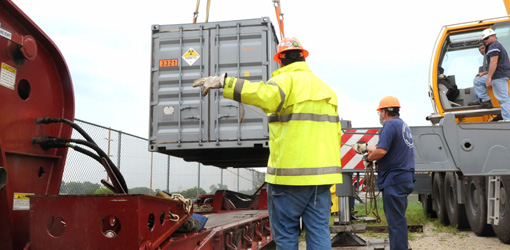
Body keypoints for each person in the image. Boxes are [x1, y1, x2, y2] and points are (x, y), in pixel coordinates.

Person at [193, 37, 343, 249]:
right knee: (319, 232)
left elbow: (262, 94)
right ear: (303, 57)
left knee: (286, 235)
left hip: (290, 178)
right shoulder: (326, 90)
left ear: (280, 59)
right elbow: (336, 134)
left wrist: (225, 82)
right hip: (322, 180)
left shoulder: (285, 81)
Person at [353, 96, 415, 250]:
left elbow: (381, 151)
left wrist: (368, 158)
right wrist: (366, 148)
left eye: (380, 112)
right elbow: (385, 148)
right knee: (398, 220)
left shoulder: (389, 125)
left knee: (396, 223)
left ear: (386, 111)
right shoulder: (402, 125)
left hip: (394, 180)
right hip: (404, 179)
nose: (380, 115)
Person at [471, 28, 510, 120]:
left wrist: (489, 78)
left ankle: (508, 119)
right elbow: (497, 64)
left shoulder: (494, 46)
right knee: (478, 80)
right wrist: (485, 72)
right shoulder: (496, 46)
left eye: (487, 38)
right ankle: (485, 100)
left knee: (503, 99)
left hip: (498, 77)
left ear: (493, 36)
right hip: (497, 75)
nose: (485, 40)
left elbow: (494, 63)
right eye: (484, 39)